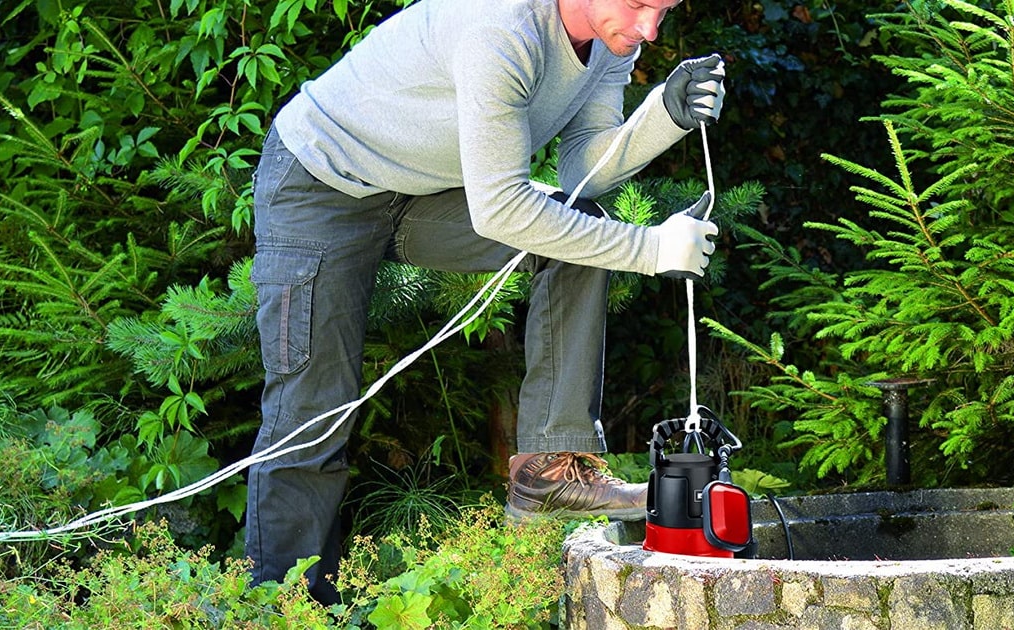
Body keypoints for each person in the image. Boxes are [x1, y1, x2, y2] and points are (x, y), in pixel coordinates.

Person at [246, 0, 726, 604]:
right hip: (321, 184)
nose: (648, 30)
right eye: (638, 5)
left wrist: (664, 114)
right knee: (310, 416)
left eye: (664, 10)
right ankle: (281, 609)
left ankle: (552, 468)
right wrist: (650, 249)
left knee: (576, 229)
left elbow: (584, 167)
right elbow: (501, 209)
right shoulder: (503, 27)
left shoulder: (612, 41)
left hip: (428, 194)